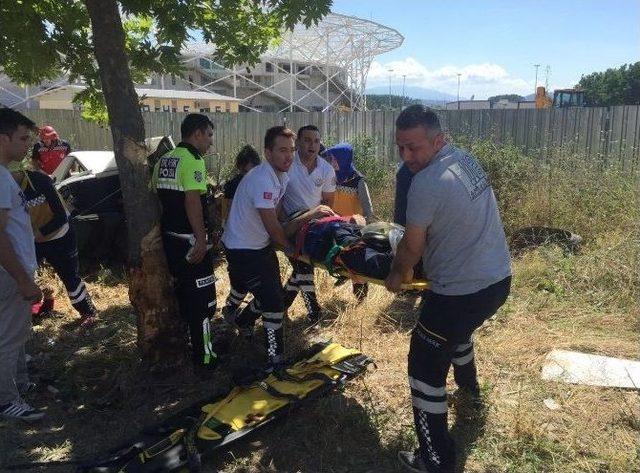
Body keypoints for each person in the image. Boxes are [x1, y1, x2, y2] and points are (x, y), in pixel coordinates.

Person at [384, 105, 512, 473]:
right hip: (498, 279)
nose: (407, 157)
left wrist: (396, 274)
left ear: (439, 140)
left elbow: (411, 247)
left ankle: (435, 460)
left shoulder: (425, 183)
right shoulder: (465, 159)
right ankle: (469, 390)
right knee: (457, 332)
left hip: (461, 291)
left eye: (414, 147)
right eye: (400, 148)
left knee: (424, 367)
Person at [221, 126, 332, 371]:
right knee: (274, 304)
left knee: (272, 296)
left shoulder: (280, 175)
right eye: (282, 150)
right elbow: (275, 230)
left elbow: (280, 222)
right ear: (268, 153)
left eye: (291, 150)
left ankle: (243, 320)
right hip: (245, 249)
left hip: (255, 246)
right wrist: (295, 250)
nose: (289, 156)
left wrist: (305, 220)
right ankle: (275, 359)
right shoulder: (263, 179)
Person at [152, 113, 217, 370]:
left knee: (185, 296)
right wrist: (201, 240)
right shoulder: (193, 160)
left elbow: (157, 199)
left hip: (171, 241)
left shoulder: (163, 160)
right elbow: (193, 203)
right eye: (209, 135)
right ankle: (205, 358)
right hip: (191, 242)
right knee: (204, 301)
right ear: (197, 134)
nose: (210, 142)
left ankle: (193, 349)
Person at [8, 162, 97, 323]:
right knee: (25, 276)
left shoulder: (40, 181)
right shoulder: (6, 189)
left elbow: (61, 217)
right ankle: (37, 308)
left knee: (69, 277)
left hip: (60, 236)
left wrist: (39, 234)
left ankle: (88, 312)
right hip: (32, 239)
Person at [0, 108, 44, 422]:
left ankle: (19, 384)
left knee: (15, 333)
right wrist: (22, 279)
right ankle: (5, 400)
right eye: (22, 139)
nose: (27, 145)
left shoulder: (5, 175)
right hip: (9, 272)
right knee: (10, 336)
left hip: (13, 270)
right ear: (3, 139)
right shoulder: (1, 179)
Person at [281, 125, 336, 323]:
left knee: (301, 269)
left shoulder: (326, 169)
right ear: (298, 143)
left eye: (316, 141)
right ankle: (314, 313)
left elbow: (329, 202)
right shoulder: (287, 165)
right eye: (307, 140)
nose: (312, 145)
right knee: (304, 268)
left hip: (314, 227)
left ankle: (279, 307)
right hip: (291, 225)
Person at [324, 142, 374, 301]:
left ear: (343, 159)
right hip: (336, 227)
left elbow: (368, 209)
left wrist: (362, 227)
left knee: (356, 266)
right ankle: (342, 275)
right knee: (338, 259)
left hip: (352, 230)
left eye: (334, 159)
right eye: (331, 159)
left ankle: (360, 298)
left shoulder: (358, 181)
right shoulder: (332, 178)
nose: (332, 162)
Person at [220, 145, 261, 317]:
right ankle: (233, 314)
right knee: (240, 282)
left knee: (252, 284)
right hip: (237, 242)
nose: (248, 176)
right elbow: (225, 213)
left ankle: (237, 315)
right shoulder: (233, 185)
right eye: (245, 172)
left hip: (253, 242)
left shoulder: (260, 183)